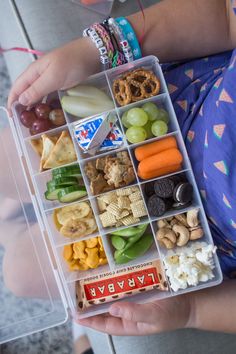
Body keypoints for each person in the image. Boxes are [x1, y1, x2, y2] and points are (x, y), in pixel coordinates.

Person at [5, 0, 236, 349]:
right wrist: (99, 49)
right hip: (167, 103)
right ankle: (12, 213)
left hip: (199, 238)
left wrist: (190, 310)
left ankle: (9, 224)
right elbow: (224, 16)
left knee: (19, 272)